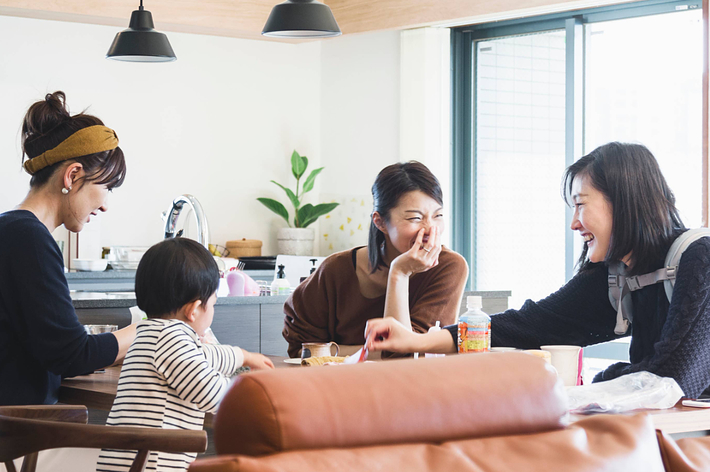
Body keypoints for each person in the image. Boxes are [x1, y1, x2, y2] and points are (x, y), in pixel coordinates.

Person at [365, 142, 710, 398]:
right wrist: (417, 340)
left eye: (580, 205)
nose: (574, 224)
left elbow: (671, 380)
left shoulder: (700, 259)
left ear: (623, 201)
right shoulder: (618, 274)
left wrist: (603, 378)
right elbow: (531, 324)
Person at [0, 91, 136, 406]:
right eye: (106, 187)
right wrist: (148, 331)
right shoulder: (30, 240)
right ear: (73, 175)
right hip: (18, 439)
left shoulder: (11, 229)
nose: (104, 206)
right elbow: (70, 355)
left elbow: (45, 350)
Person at [97, 238, 274, 472]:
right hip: (152, 465)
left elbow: (205, 355)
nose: (212, 311)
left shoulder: (150, 334)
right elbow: (211, 393)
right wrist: (253, 392)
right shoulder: (172, 340)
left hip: (130, 463)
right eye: (213, 305)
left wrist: (243, 356)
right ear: (194, 310)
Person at [283, 161, 469, 358]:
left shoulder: (449, 267)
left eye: (438, 215)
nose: (430, 229)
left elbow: (407, 357)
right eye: (415, 218)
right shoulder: (335, 269)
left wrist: (399, 272)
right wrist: (379, 351)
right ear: (380, 222)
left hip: (411, 386)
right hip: (338, 384)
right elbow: (304, 352)